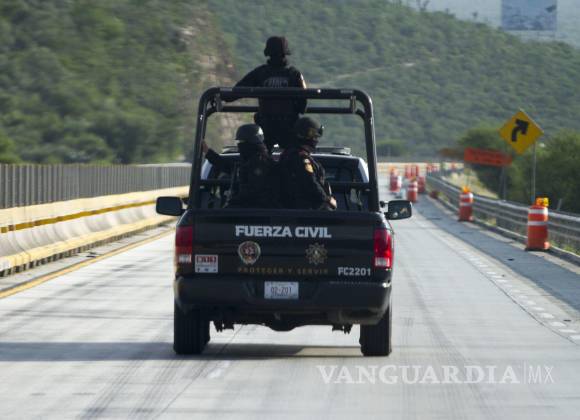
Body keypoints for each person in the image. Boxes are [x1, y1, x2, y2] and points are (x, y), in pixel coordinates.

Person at [234, 36, 307, 152]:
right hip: (288, 127)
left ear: (268, 54)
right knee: (294, 156)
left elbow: (237, 90)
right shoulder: (294, 74)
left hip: (266, 127)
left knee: (259, 157)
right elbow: (303, 106)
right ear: (285, 54)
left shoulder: (260, 73)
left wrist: (223, 98)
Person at [201, 124, 280, 208]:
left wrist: (234, 203)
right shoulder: (246, 162)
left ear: (251, 142)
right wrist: (207, 151)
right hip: (247, 210)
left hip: (257, 211)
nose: (240, 145)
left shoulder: (261, 163)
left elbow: (253, 193)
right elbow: (226, 165)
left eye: (242, 142)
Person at [279, 117, 337, 210]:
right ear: (307, 136)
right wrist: (327, 199)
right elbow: (310, 183)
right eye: (315, 137)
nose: (316, 140)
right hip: (304, 212)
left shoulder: (288, 154)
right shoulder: (301, 158)